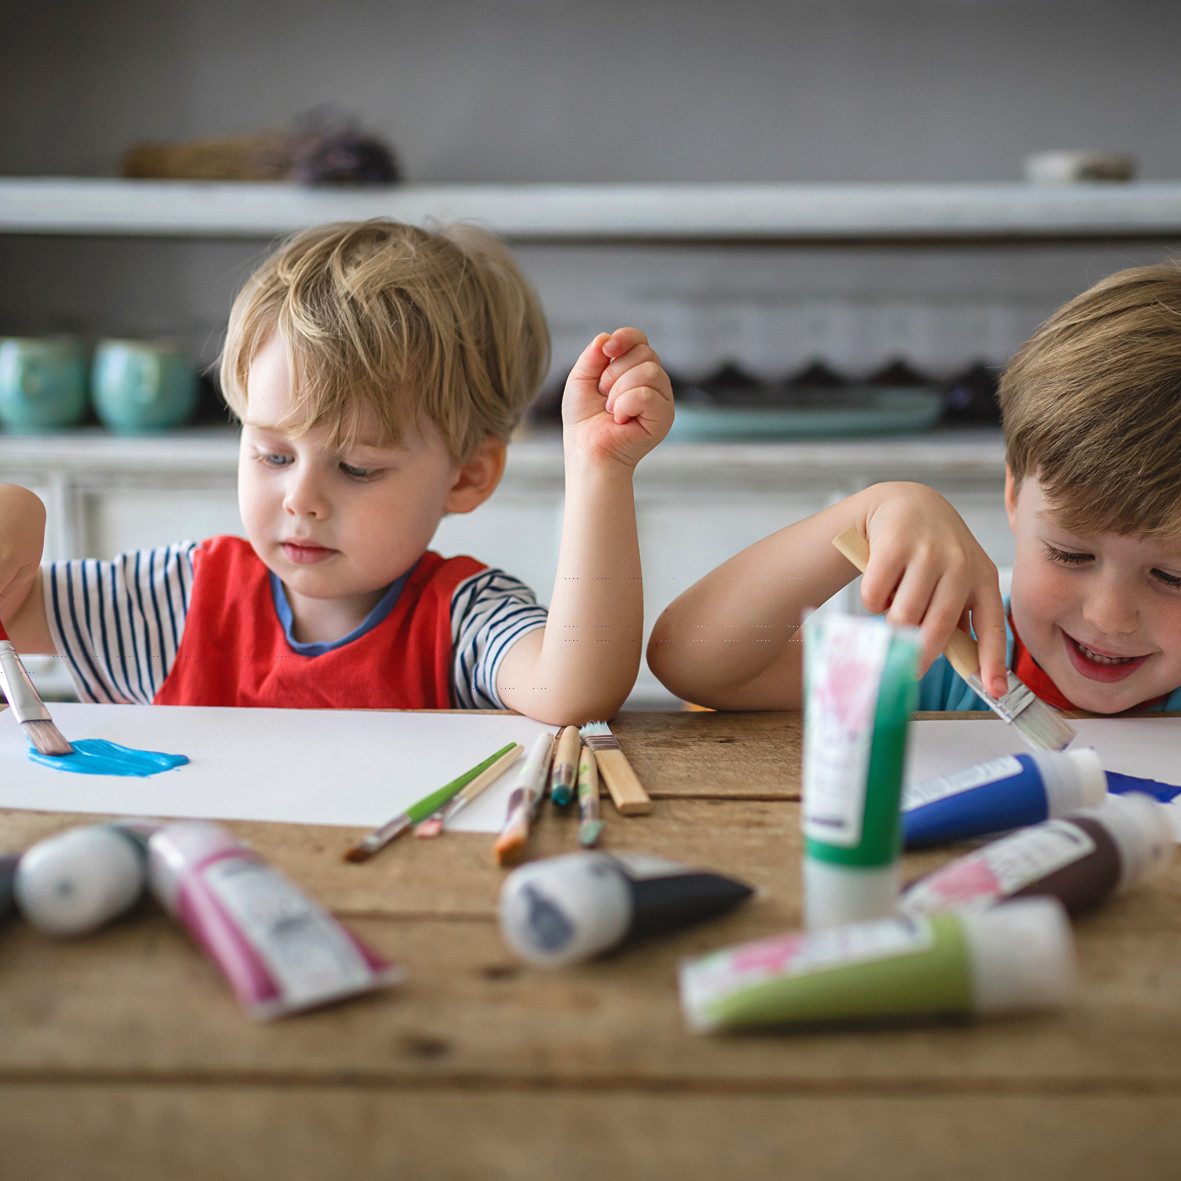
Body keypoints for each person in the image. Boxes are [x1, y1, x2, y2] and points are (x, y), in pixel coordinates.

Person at [0, 220, 674, 724]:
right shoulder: (177, 601)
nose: (302, 499)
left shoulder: (463, 619)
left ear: (466, 477)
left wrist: (598, 474)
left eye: (356, 467)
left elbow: (576, 692)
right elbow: (13, 609)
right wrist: (19, 507)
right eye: (272, 454)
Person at [647, 263, 1181, 715]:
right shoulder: (948, 655)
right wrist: (867, 512)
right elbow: (693, 661)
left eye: (1172, 577)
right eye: (1070, 555)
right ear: (1015, 497)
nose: (1109, 616)